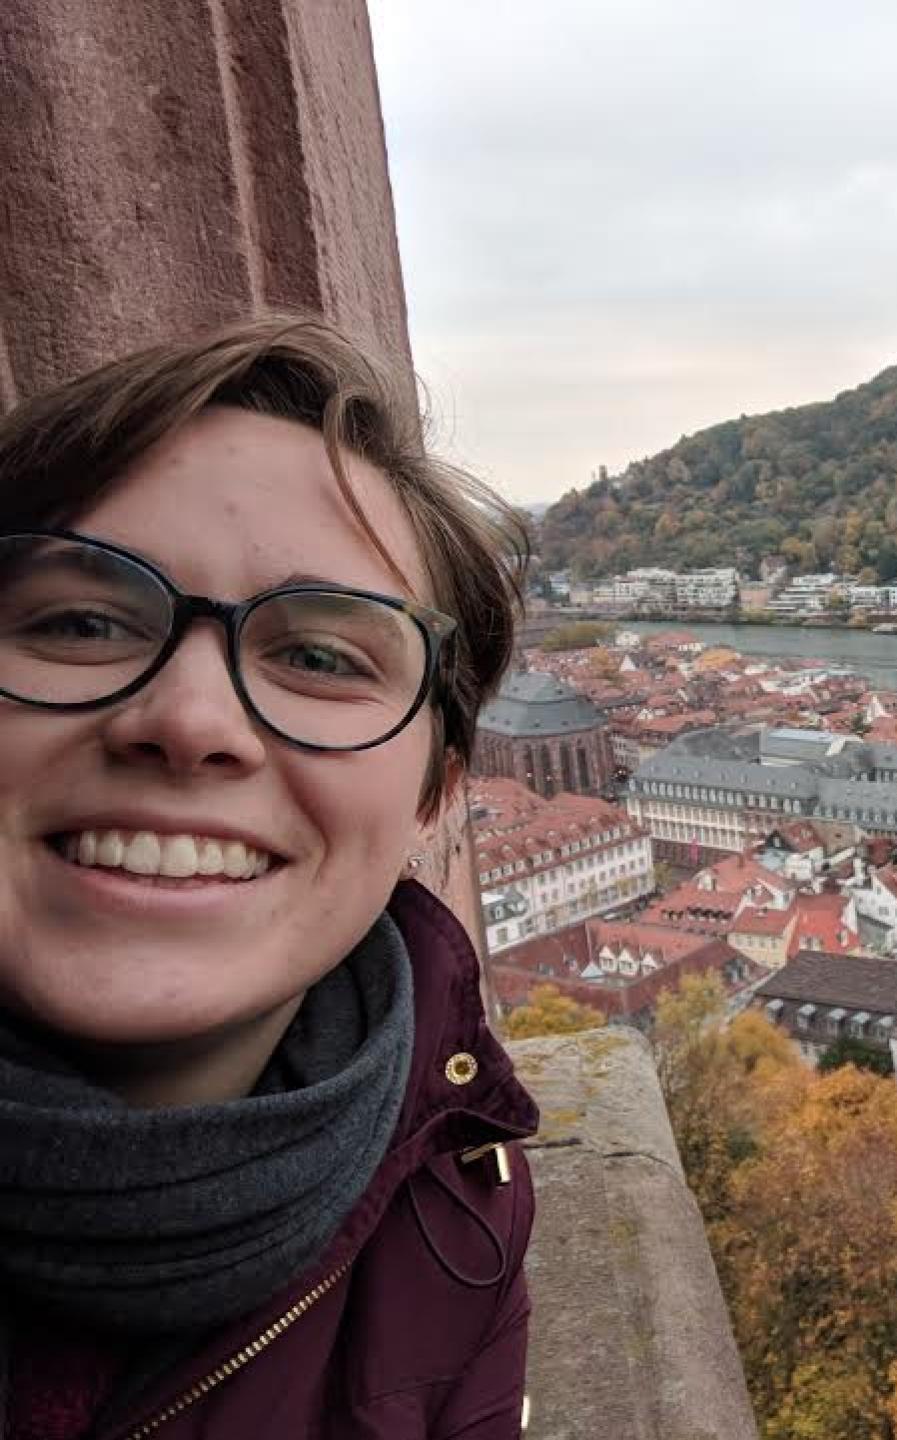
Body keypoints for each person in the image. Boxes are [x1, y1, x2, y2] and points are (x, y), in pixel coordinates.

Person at [0, 316, 537, 1437]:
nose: (190, 721)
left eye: (319, 657)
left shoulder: (459, 1206)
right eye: (83, 621)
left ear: (436, 790)